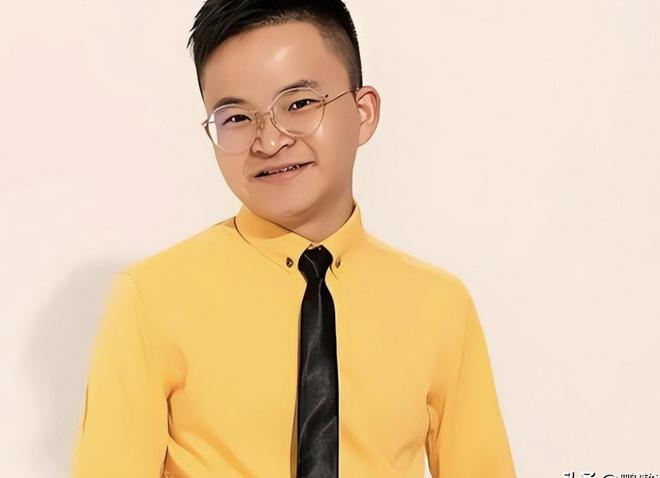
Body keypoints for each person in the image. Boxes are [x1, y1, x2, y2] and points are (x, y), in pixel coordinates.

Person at [70, 0, 516, 477]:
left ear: (363, 112)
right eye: (236, 118)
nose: (269, 141)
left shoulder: (439, 305)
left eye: (299, 104)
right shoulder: (151, 299)